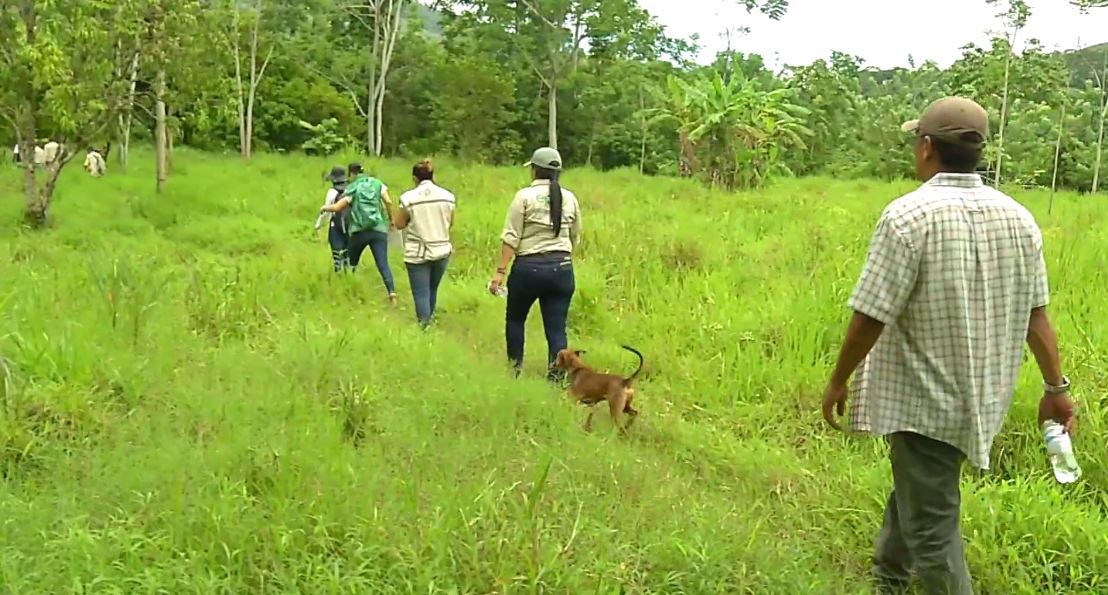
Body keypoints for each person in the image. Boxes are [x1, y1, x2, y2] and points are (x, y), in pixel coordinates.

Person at [821, 97, 1076, 595]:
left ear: (925, 148)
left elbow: (871, 314)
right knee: (919, 486)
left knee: (933, 531)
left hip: (923, 400)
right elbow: (1036, 315)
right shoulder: (1019, 219)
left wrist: (837, 379)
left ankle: (904, 577)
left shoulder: (906, 217)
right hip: (982, 396)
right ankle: (889, 576)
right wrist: (1056, 387)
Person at [489, 147, 582, 381]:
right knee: (556, 328)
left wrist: (500, 272)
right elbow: (575, 237)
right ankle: (557, 378)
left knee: (515, 319)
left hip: (528, 270)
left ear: (534, 170)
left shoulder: (524, 197)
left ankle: (515, 370)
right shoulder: (569, 198)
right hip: (562, 269)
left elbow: (511, 237)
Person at [321, 162, 397, 303]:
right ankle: (392, 293)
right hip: (378, 229)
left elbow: (338, 208)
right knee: (383, 263)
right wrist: (391, 220)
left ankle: (347, 292)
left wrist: (325, 207)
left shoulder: (353, 187)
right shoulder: (377, 183)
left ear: (351, 174)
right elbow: (389, 201)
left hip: (359, 231)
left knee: (350, 263)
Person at [394, 159, 456, 328]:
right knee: (432, 288)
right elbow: (450, 222)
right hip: (442, 249)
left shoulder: (408, 198)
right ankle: (430, 318)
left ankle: (424, 326)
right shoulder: (448, 196)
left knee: (421, 293)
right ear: (432, 175)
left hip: (418, 251)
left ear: (415, 178)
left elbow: (399, 224)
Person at [314, 165, 350, 273]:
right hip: (351, 226)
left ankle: (339, 274)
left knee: (337, 254)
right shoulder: (351, 189)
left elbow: (326, 210)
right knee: (347, 254)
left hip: (336, 226)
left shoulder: (332, 192)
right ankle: (348, 275)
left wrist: (318, 224)